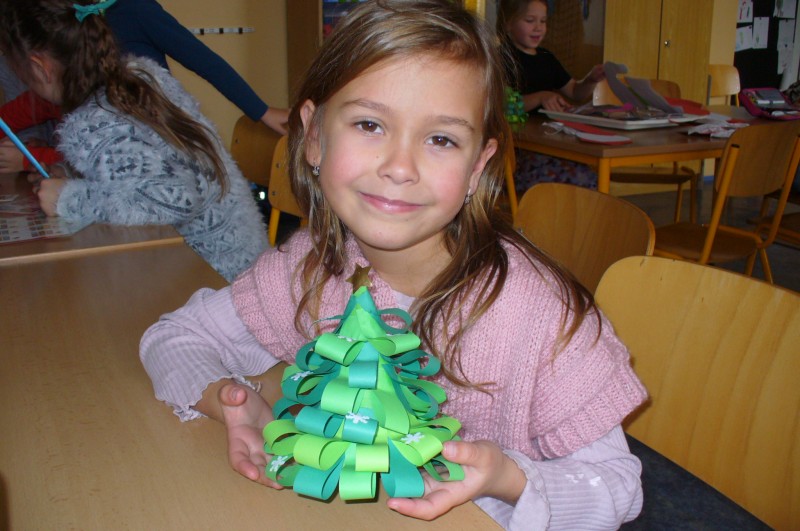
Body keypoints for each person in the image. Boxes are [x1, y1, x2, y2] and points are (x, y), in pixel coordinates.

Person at [139, 1, 647, 529]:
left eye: (441, 139)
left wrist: (508, 478)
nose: (401, 167)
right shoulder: (312, 264)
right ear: (313, 136)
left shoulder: (545, 316)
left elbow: (618, 487)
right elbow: (174, 337)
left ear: (477, 167)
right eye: (370, 124)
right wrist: (233, 401)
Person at [0, 0, 268, 282]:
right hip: (244, 259)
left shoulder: (92, 122)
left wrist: (68, 198)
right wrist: (71, 176)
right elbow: (144, 171)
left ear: (39, 68)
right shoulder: (140, 76)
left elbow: (174, 201)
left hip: (220, 278)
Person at [105, 0, 289, 135]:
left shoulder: (135, 9)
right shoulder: (102, 16)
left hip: (154, 135)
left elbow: (205, 62)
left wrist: (262, 111)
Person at [498, 0, 604, 195]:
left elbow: (574, 91)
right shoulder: (500, 58)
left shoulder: (546, 57)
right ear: (508, 23)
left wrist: (590, 80)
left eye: (543, 21)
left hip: (549, 146)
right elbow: (503, 106)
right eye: (530, 20)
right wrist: (540, 97)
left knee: (588, 175)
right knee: (581, 178)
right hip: (516, 155)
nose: (538, 27)